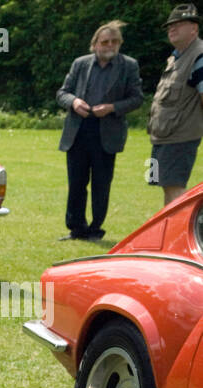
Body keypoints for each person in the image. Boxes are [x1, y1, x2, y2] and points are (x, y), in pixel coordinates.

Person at [56, 20, 143, 240]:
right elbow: (62, 93)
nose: (110, 45)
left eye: (115, 41)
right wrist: (74, 102)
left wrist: (112, 108)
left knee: (101, 184)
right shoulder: (80, 64)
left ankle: (95, 229)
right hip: (78, 129)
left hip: (107, 131)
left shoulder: (129, 65)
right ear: (95, 44)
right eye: (105, 41)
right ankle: (76, 228)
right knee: (76, 182)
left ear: (120, 44)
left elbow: (137, 98)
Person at [148, 4, 203, 205]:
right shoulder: (174, 57)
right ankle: (170, 232)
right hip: (162, 137)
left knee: (176, 188)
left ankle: (179, 234)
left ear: (194, 29)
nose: (172, 29)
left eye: (179, 25)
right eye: (170, 25)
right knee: (163, 183)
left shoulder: (199, 55)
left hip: (181, 137)